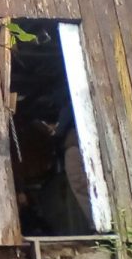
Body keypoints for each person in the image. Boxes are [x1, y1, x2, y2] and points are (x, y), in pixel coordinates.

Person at [36, 88, 93, 229]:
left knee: (81, 185)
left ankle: (98, 224)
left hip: (76, 145)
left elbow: (60, 129)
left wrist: (55, 130)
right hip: (86, 143)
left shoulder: (69, 101)